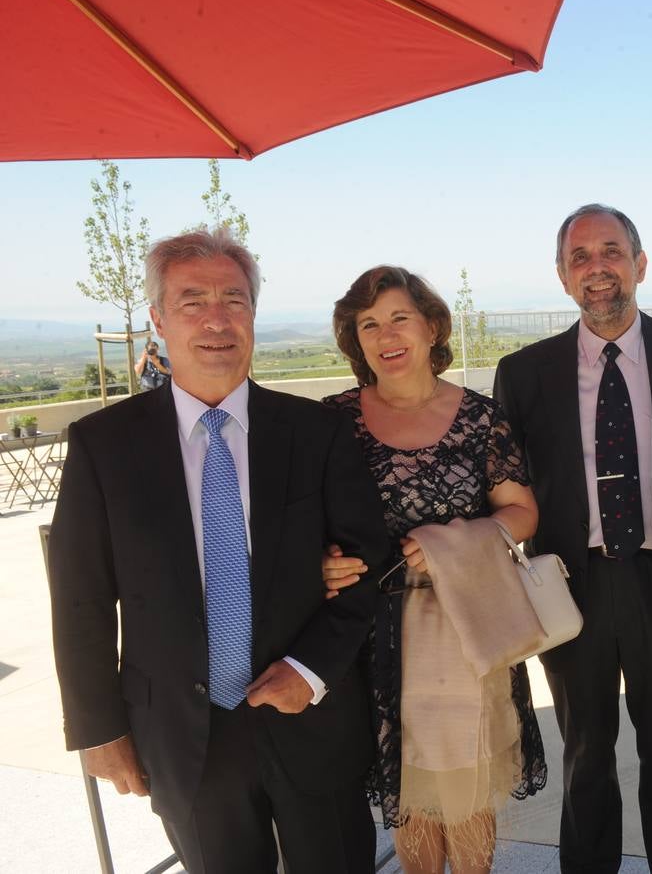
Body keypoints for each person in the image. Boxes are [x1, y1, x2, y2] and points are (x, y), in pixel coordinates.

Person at [47, 227, 390, 873]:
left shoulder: (318, 432)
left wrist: (310, 671)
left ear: (254, 315)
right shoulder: (103, 446)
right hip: (180, 735)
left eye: (234, 299)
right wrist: (98, 729)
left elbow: (368, 567)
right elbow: (80, 598)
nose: (216, 319)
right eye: (192, 300)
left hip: (310, 717)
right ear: (158, 319)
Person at [493, 204, 652, 874]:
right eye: (580, 258)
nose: (598, 270)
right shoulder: (524, 373)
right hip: (569, 589)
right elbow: (501, 489)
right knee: (585, 759)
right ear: (562, 277)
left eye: (611, 252)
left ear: (640, 265)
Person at [320, 265, 547, 874]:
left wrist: (461, 538)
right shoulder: (330, 421)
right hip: (368, 640)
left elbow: (521, 513)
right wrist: (320, 562)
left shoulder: (480, 417)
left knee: (466, 790)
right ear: (355, 338)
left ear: (432, 327)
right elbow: (302, 523)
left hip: (465, 631)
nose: (385, 334)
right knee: (409, 795)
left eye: (399, 317)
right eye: (369, 323)